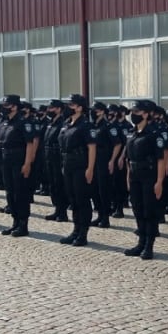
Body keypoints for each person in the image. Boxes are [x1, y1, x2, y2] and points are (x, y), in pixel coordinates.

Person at [123, 99, 165, 259]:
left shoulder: (155, 134)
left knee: (149, 211)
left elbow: (161, 159)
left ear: (146, 114)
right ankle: (140, 242)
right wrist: (128, 177)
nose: (134, 114)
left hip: (149, 176)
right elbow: (128, 158)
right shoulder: (132, 133)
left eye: (137, 112)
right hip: (134, 175)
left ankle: (149, 245)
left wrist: (159, 181)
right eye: (133, 111)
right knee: (138, 209)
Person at [58, 94, 97, 247]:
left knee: (82, 200)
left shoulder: (86, 125)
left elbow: (92, 148)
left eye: (72, 105)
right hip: (68, 164)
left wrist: (90, 169)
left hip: (81, 166)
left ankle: (83, 234)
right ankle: (75, 230)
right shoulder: (67, 123)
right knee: (73, 200)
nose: (68, 108)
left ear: (80, 108)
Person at [0, 94, 36, 237]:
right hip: (6, 160)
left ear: (14, 106)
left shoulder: (23, 122)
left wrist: (27, 163)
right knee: (10, 192)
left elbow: (30, 144)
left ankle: (23, 224)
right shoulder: (4, 122)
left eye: (7, 106)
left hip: (19, 160)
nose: (4, 108)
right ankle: (15, 222)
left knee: (20, 193)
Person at [42, 100, 69, 222]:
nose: (49, 110)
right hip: (49, 157)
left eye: (52, 108)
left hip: (57, 157)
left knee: (59, 185)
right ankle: (57, 209)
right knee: (52, 185)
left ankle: (62, 212)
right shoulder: (50, 123)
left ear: (58, 109)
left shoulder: (63, 123)